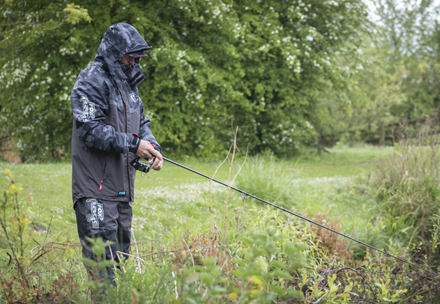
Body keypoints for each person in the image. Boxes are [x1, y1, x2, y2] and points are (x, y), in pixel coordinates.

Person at [70, 23, 163, 285]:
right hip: (95, 190)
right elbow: (90, 130)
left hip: (122, 189)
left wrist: (152, 147)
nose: (133, 62)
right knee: (102, 269)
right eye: (130, 56)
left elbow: (141, 122)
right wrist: (134, 145)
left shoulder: (128, 84)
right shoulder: (90, 80)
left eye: (136, 58)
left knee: (120, 263)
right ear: (114, 52)